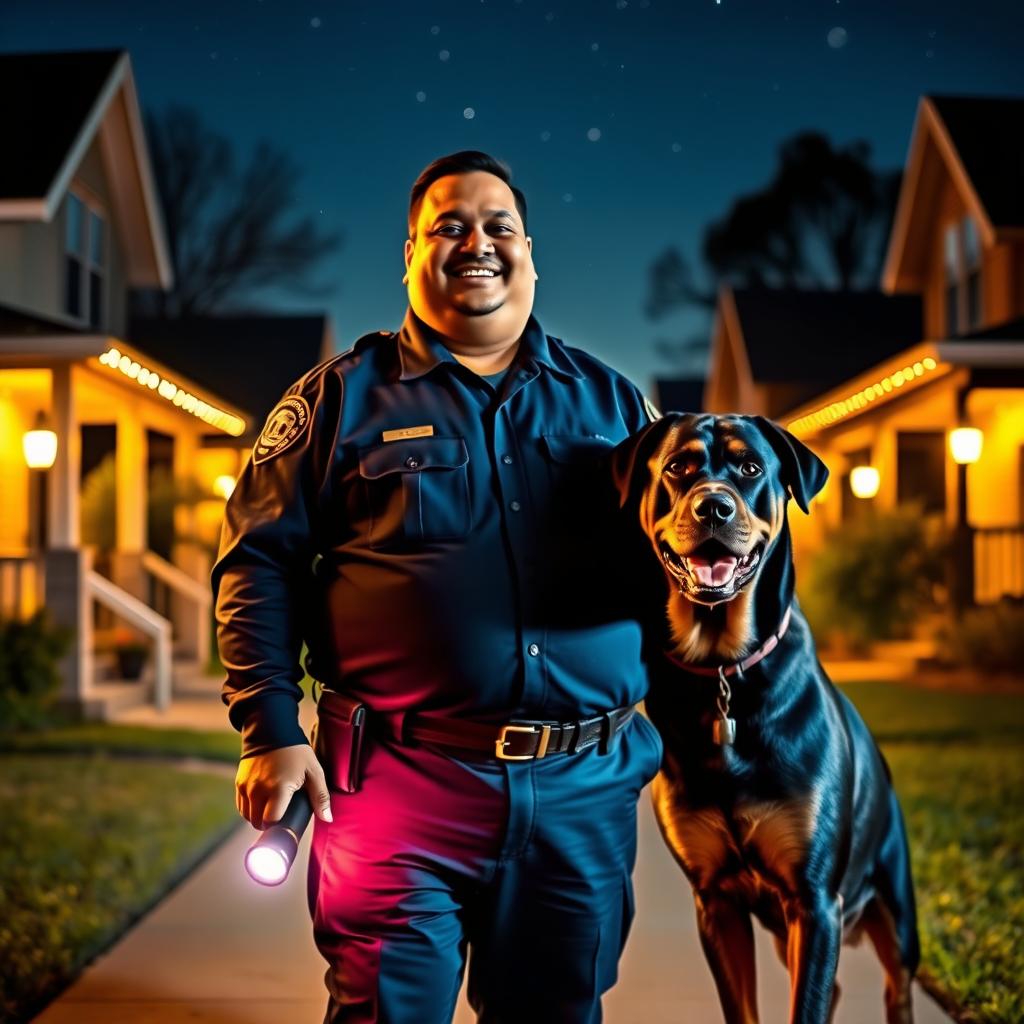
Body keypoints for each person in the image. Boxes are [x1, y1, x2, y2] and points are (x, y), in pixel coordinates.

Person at [212, 150, 664, 1023]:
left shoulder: (613, 407)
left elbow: (680, 578)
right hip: (396, 787)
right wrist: (267, 729)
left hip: (582, 790)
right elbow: (257, 564)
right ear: (411, 253)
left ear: (530, 250)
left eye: (498, 226)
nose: (477, 242)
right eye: (450, 225)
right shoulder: (339, 401)